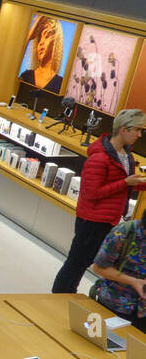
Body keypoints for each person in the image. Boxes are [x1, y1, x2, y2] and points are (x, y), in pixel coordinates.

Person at [52, 108, 146, 294]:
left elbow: (121, 185)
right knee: (77, 262)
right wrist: (125, 182)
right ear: (123, 130)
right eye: (137, 129)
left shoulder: (126, 156)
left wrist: (135, 183)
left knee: (84, 261)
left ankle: (66, 294)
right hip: (92, 220)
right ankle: (60, 296)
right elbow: (92, 193)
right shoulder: (99, 159)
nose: (139, 135)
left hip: (107, 219)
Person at [89, 214, 146, 331]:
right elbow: (99, 267)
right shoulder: (123, 232)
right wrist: (133, 281)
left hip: (142, 315)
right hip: (114, 303)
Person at [20, 15, 66, 93]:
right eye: (39, 40)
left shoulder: (60, 84)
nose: (41, 42)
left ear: (55, 43)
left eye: (46, 36)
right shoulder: (26, 76)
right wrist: (29, 37)